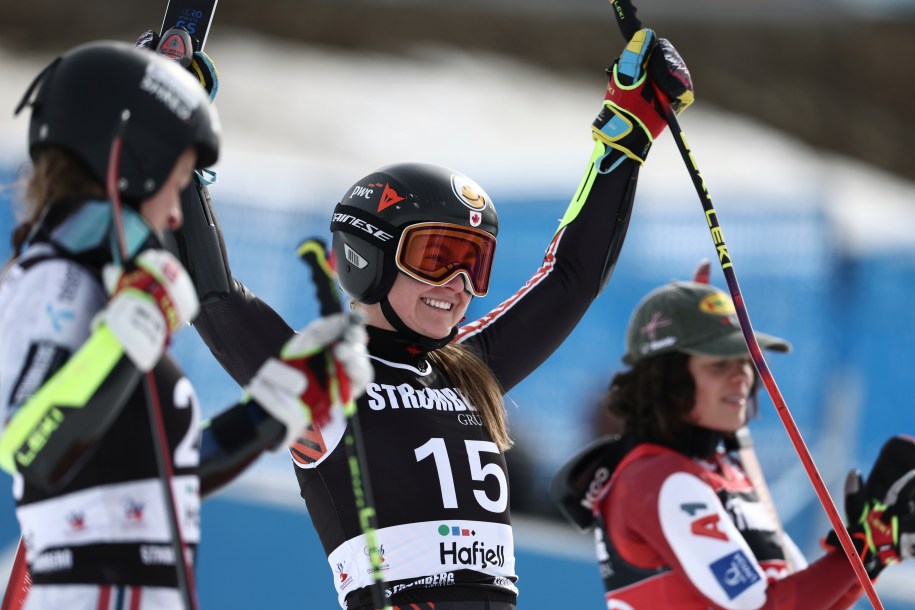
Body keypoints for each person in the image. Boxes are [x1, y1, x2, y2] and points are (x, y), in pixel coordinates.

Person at [172, 27, 695, 609]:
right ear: (368, 257)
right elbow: (213, 294)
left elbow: (572, 278)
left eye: (476, 262)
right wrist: (176, 137)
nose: (458, 284)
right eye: (436, 258)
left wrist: (628, 133)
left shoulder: (469, 371)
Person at [0, 41, 371, 609]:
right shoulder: (56, 280)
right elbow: (29, 448)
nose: (176, 213)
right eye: (175, 186)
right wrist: (126, 340)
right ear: (130, 169)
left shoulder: (113, 297)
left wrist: (278, 406)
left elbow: (164, 487)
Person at [551, 272, 915, 609]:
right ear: (668, 379)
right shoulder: (658, 479)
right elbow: (765, 608)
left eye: (744, 361)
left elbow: (803, 601)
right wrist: (864, 545)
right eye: (718, 365)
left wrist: (872, 553)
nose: (741, 376)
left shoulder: (724, 472)